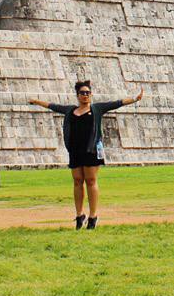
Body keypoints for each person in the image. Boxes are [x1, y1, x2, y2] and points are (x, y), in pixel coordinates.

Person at [28, 80, 144, 229]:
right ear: (77, 95)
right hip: (75, 150)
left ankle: (93, 216)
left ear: (91, 94)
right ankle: (79, 214)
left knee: (90, 180)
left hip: (92, 150)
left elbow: (117, 103)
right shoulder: (70, 110)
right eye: (82, 93)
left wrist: (135, 99)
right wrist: (36, 101)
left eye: (88, 93)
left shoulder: (97, 109)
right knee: (77, 181)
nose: (85, 95)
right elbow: (53, 106)